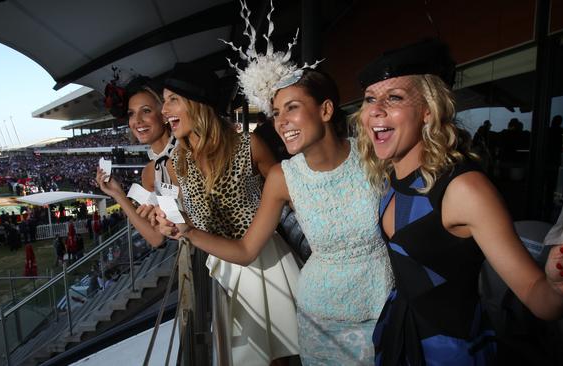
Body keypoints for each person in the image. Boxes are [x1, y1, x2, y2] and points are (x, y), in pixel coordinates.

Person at [354, 38, 563, 365]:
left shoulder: (465, 189)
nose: (375, 109)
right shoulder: (389, 179)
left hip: (450, 351)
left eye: (394, 97)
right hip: (400, 334)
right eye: (369, 99)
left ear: (427, 111)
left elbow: (539, 298)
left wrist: (559, 286)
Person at [154, 61, 394, 364]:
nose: (280, 122)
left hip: (383, 308)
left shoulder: (376, 156)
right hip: (314, 313)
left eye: (291, 108)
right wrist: (184, 228)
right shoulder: (283, 177)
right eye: (276, 113)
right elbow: (245, 249)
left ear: (326, 110)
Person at [131, 61, 302, 366]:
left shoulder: (249, 146)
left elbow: (290, 196)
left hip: (267, 264)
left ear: (198, 105)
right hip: (223, 269)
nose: (163, 109)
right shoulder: (175, 165)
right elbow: (185, 225)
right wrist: (169, 225)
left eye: (173, 100)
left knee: (284, 357)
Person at [95, 75, 177, 247]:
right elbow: (156, 238)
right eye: (131, 114)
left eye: (146, 110)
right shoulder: (148, 173)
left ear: (164, 115)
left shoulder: (187, 154)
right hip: (190, 261)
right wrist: (118, 194)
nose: (137, 121)